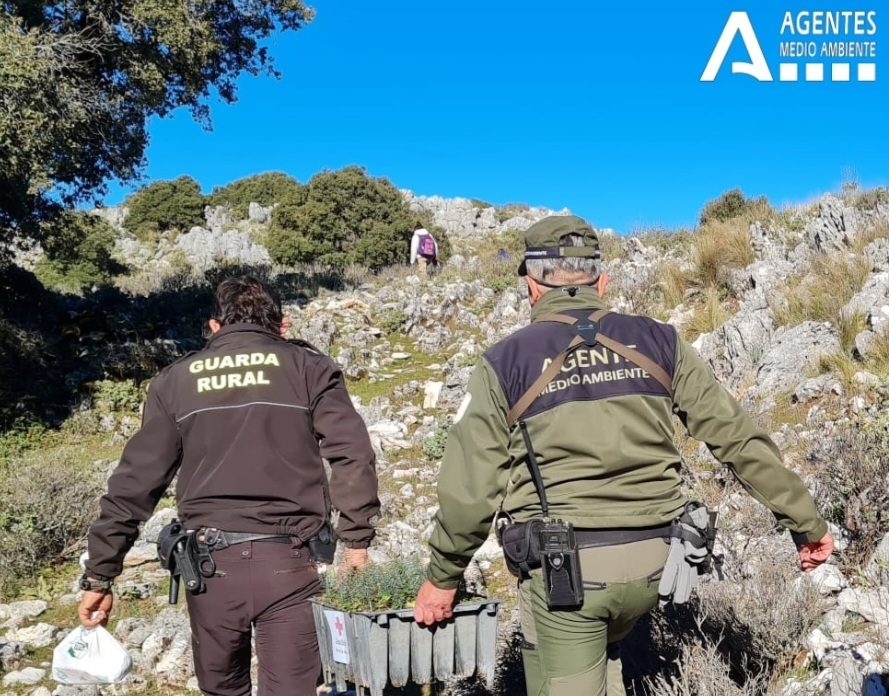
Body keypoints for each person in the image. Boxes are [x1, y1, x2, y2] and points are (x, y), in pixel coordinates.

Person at [413, 216, 834, 696]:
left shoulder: (504, 362)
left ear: (531, 286)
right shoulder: (661, 341)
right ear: (602, 281)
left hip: (567, 573)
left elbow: (472, 491)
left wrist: (443, 575)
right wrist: (806, 522)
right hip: (658, 562)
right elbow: (737, 438)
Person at [78, 276, 380, 696]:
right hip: (290, 563)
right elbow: (353, 453)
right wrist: (357, 541)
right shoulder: (308, 367)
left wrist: (100, 575)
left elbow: (134, 482)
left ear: (214, 326)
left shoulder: (175, 380)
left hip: (210, 569)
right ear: (281, 325)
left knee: (222, 689)